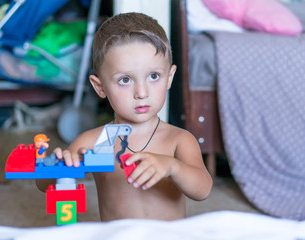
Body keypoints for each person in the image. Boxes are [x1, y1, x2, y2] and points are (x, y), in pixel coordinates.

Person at [36, 12, 213, 221]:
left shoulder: (179, 140)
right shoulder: (92, 142)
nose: (141, 92)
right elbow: (43, 185)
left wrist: (173, 167)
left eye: (154, 76)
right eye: (125, 80)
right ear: (100, 87)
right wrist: (61, 166)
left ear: (169, 78)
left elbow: (203, 189)